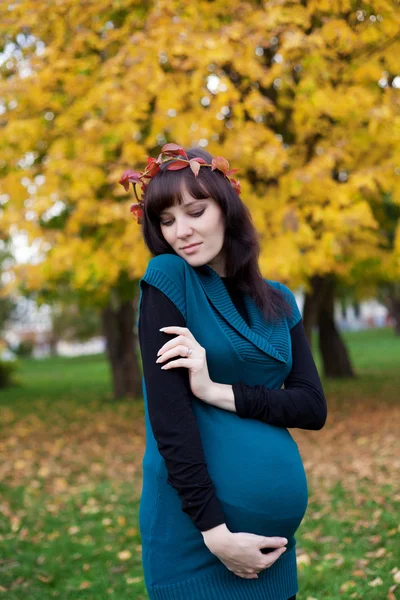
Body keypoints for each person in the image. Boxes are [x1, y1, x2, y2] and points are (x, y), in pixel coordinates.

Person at [119, 143, 327, 600]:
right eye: (167, 221)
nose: (181, 232)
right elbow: (169, 420)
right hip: (198, 536)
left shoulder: (278, 300)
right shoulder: (169, 279)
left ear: (226, 209)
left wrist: (215, 390)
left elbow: (312, 407)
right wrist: (217, 534)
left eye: (196, 211)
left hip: (272, 553)